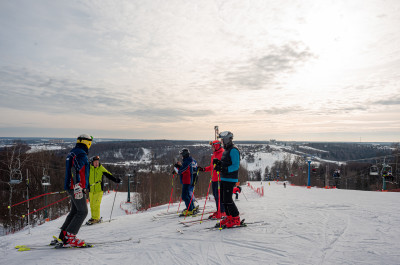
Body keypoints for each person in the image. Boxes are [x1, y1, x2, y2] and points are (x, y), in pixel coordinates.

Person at [57, 134, 92, 247]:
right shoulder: (81, 154)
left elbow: (73, 168)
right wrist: (78, 186)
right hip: (76, 187)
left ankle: (63, 235)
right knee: (83, 211)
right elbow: (75, 168)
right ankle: (70, 237)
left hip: (71, 185)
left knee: (74, 211)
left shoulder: (73, 152)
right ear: (87, 143)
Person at [213, 131, 241, 228]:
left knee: (228, 199)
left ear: (226, 139)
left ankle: (236, 218)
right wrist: (219, 164)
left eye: (222, 139)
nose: (221, 141)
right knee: (224, 199)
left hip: (230, 178)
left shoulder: (233, 150)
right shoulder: (226, 150)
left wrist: (223, 168)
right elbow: (226, 163)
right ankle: (229, 217)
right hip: (224, 177)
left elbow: (235, 166)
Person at [86, 155, 121, 225]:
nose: (96, 163)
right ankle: (93, 217)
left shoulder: (101, 168)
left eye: (97, 162)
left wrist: (116, 180)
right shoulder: (88, 168)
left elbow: (108, 175)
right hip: (91, 190)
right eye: (95, 162)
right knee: (92, 205)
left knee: (96, 205)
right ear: (92, 162)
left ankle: (97, 218)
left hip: (99, 190)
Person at [198, 140, 226, 219]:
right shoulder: (213, 155)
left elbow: (223, 166)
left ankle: (223, 212)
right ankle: (219, 210)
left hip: (220, 178)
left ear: (217, 146)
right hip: (214, 179)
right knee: (216, 196)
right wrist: (203, 169)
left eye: (213, 146)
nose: (211, 148)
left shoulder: (223, 153)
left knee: (220, 196)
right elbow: (211, 167)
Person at [174, 148, 198, 216]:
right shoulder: (187, 161)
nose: (181, 156)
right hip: (186, 180)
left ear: (184, 155)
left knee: (184, 196)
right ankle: (191, 208)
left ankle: (190, 210)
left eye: (182, 154)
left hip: (187, 181)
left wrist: (176, 168)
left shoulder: (187, 162)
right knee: (187, 195)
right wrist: (179, 166)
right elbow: (183, 169)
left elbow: (180, 171)